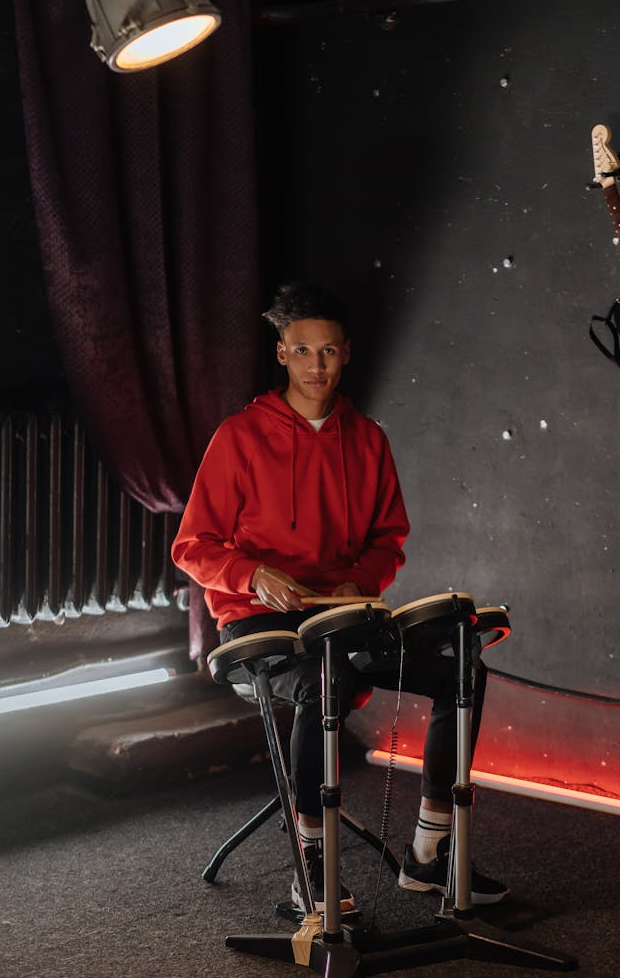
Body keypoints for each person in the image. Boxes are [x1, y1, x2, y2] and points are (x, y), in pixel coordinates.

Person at [172, 282, 507, 914]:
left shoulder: (369, 439)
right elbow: (191, 546)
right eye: (302, 351)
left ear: (346, 354)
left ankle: (430, 854)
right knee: (320, 681)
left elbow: (389, 539)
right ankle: (311, 867)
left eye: (328, 352)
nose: (316, 366)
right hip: (255, 622)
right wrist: (252, 575)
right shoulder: (239, 437)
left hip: (343, 615)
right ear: (282, 355)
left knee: (461, 667)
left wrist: (362, 581)